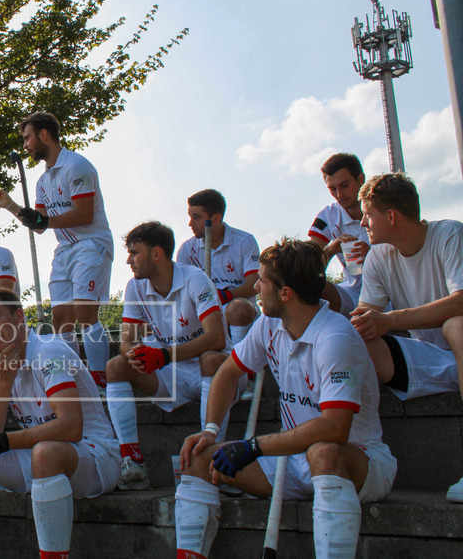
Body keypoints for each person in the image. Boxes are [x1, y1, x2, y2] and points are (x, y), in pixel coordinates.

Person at [175, 239, 395, 559]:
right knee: (197, 459)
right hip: (292, 462)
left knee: (323, 451)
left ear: (286, 293)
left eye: (262, 281)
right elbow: (228, 372)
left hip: (357, 462)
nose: (255, 287)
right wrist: (210, 430)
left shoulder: (336, 337)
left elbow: (335, 428)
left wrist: (253, 446)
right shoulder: (269, 324)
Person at [0, 288, 120, 559]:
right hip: (40, 459)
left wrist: (4, 441)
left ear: (19, 317)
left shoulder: (49, 351)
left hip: (95, 455)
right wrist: (4, 381)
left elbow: (71, 427)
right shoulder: (0, 363)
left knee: (45, 453)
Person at [349, 173, 463, 502]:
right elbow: (366, 317)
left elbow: (461, 301)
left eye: (367, 215)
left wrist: (390, 320)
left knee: (456, 325)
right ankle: (357, 455)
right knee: (358, 342)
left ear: (391, 216)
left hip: (458, 342)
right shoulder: (378, 256)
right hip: (430, 358)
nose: (363, 223)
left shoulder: (449, 234)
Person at [0, 111, 113, 387]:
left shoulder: (76, 165)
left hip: (91, 244)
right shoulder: (42, 181)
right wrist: (10, 205)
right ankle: (75, 380)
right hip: (65, 249)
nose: (25, 145)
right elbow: (40, 225)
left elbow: (85, 214)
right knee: (60, 318)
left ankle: (101, 382)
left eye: (27, 138)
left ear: (43, 134)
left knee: (85, 313)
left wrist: (44, 220)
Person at [105, 222, 232, 490]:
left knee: (211, 358)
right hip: (172, 372)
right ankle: (133, 462)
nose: (128, 260)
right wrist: (136, 353)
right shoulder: (135, 286)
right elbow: (126, 342)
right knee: (116, 366)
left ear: (156, 253)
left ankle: (211, 458)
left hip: (214, 371)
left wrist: (162, 355)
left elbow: (216, 338)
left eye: (134, 252)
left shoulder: (195, 278)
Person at [176, 189, 260, 346]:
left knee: (239, 308)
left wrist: (225, 296)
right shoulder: (187, 249)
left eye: (196, 218)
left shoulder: (245, 240)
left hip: (239, 309)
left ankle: (238, 355)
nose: (190, 224)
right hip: (204, 309)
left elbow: (254, 284)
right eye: (190, 217)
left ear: (216, 218)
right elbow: (180, 291)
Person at [307, 153, 370, 318]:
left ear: (361, 179)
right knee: (311, 286)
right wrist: (331, 249)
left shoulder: (385, 206)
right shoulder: (328, 216)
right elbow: (305, 265)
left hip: (391, 291)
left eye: (344, 185)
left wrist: (373, 256)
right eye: (333, 189)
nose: (339, 195)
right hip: (353, 293)